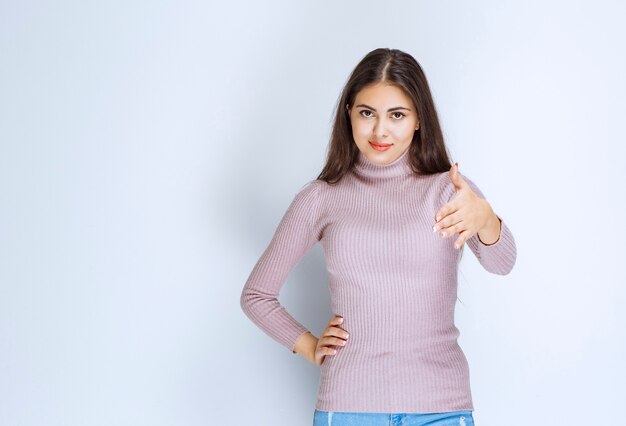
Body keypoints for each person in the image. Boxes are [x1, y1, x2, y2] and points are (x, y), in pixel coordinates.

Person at [240, 47, 517, 426]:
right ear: (349, 114)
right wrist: (308, 346)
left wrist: (486, 218)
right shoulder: (321, 198)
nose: (380, 130)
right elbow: (257, 295)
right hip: (349, 405)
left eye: (397, 115)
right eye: (367, 113)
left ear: (419, 120)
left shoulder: (448, 190)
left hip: (442, 406)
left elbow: (503, 263)